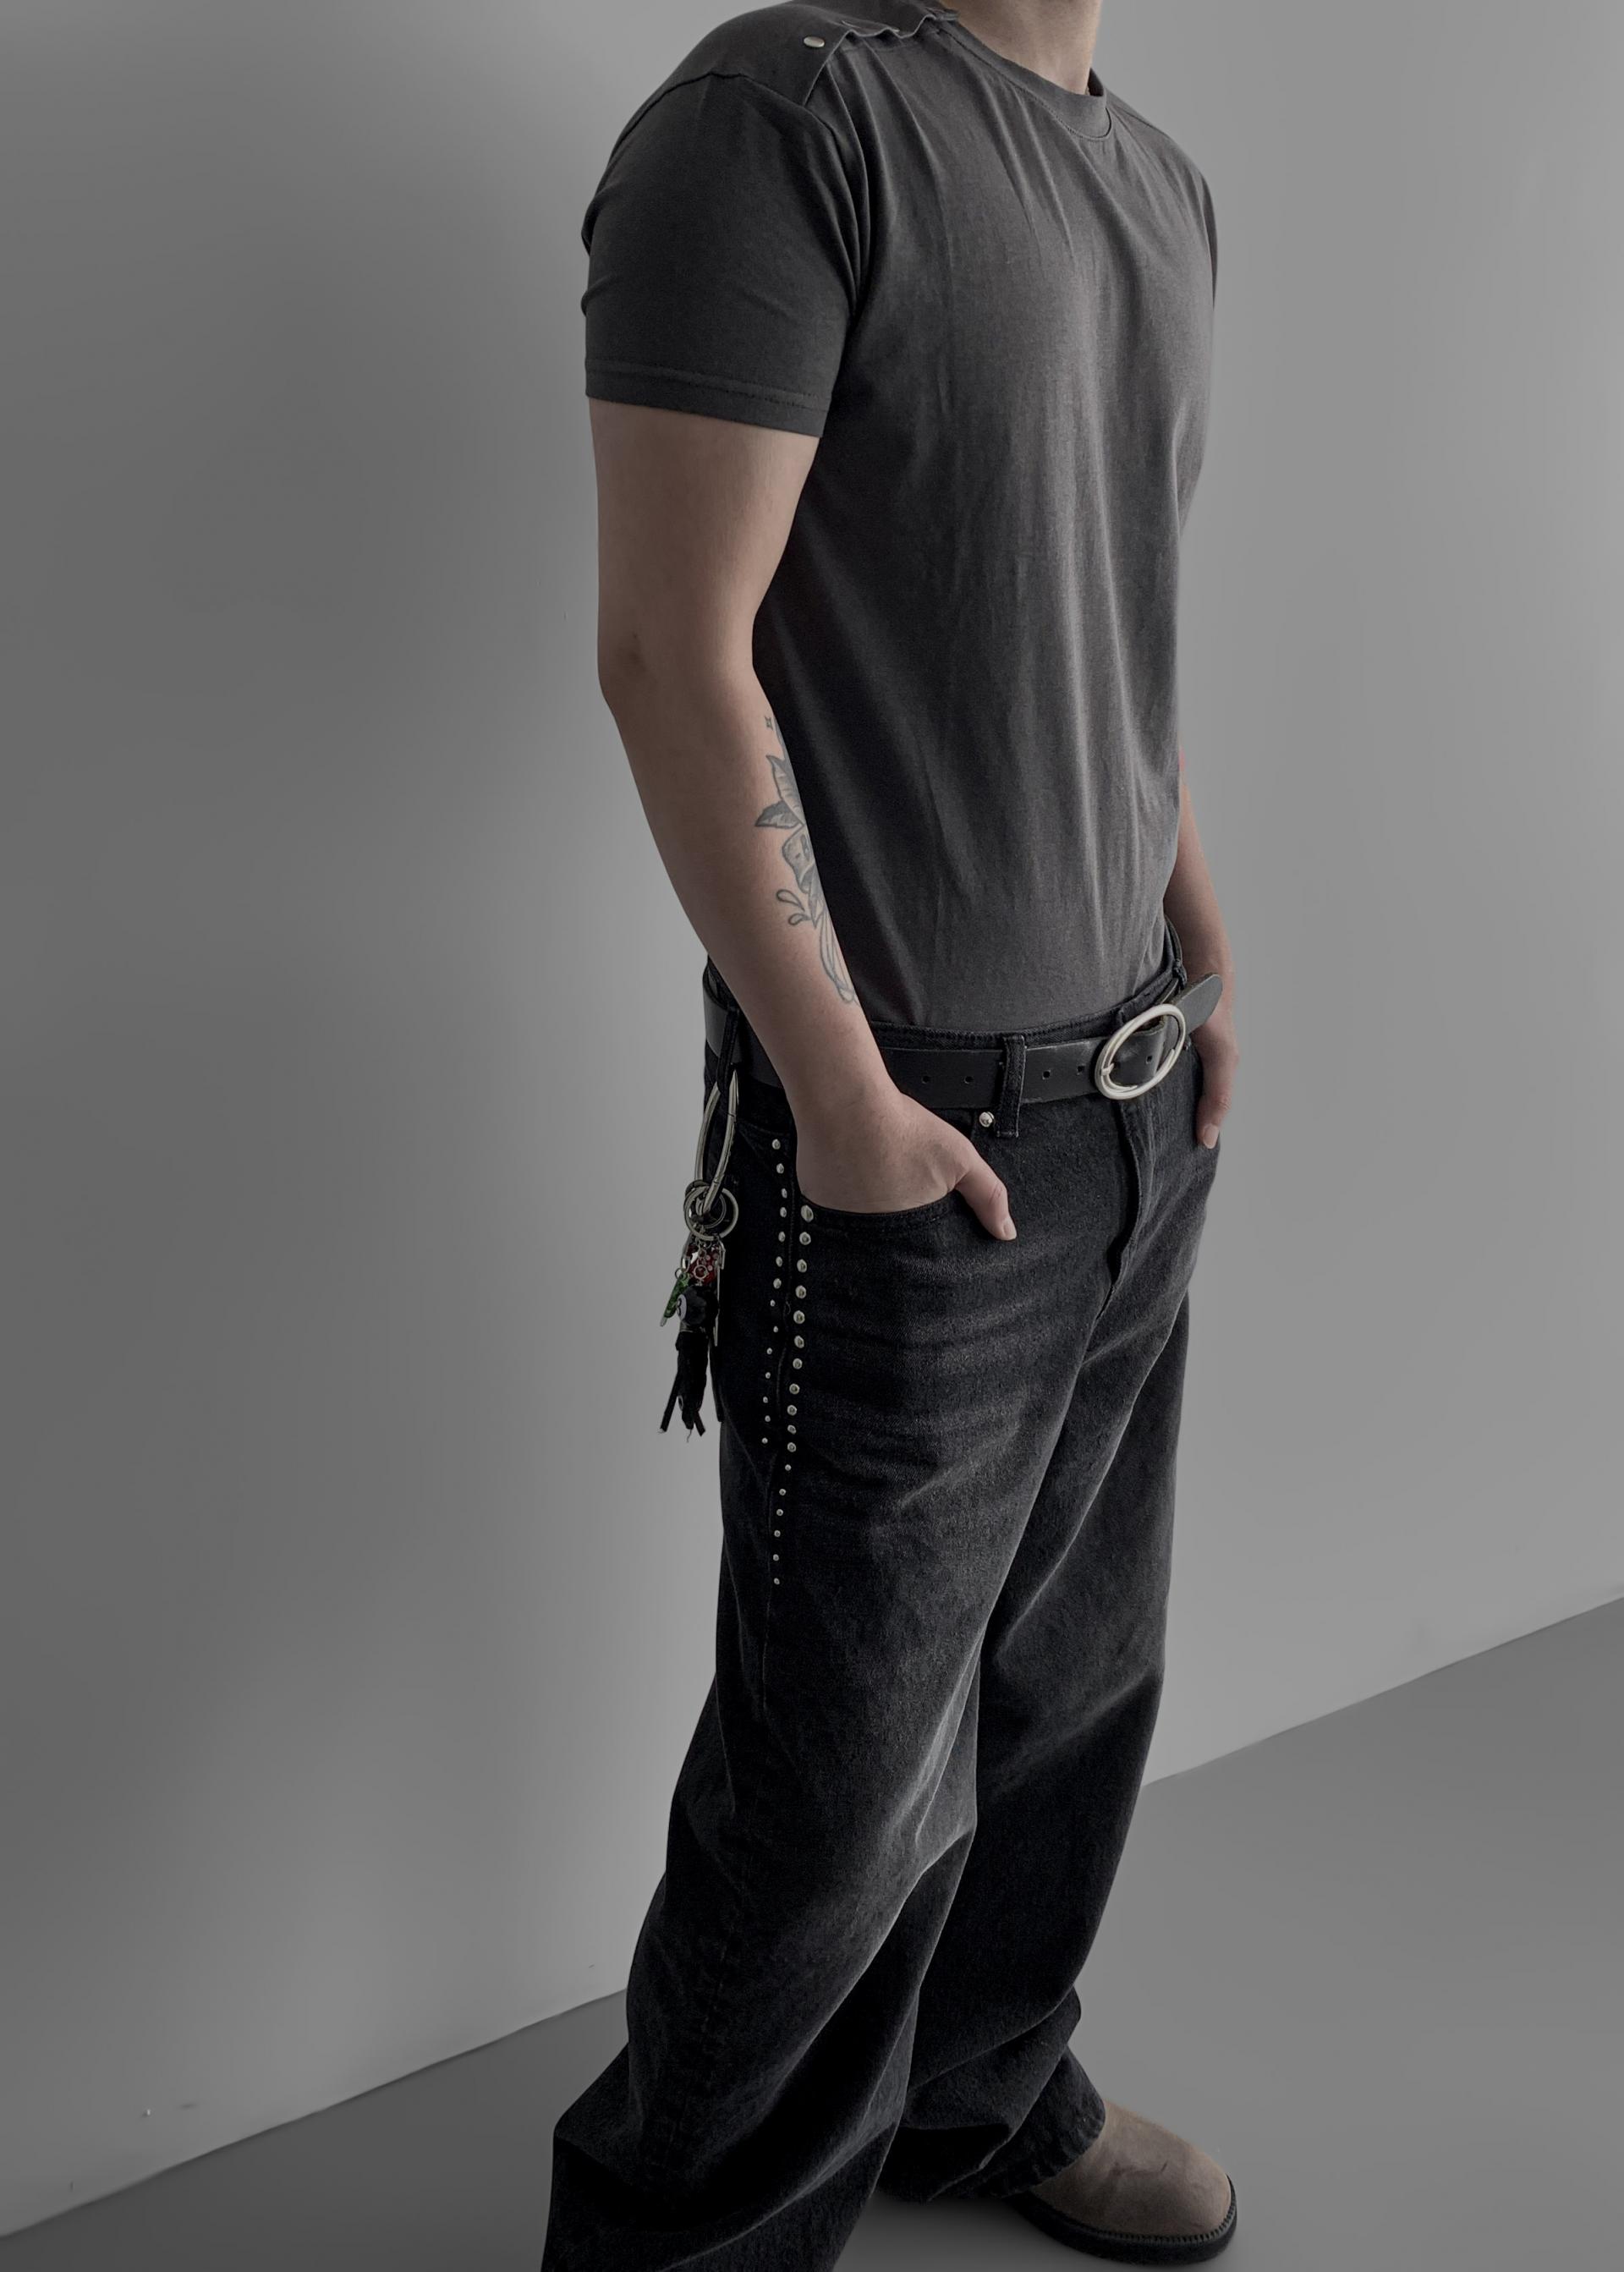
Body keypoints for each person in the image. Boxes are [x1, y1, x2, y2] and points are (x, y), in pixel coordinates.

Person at [541, 2, 1242, 2264]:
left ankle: (982, 2087)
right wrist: (841, 1093)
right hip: (910, 1129)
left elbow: (1115, 628)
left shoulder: (1162, 186)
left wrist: (1201, 946)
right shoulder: (788, 115)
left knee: (1070, 1684)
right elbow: (673, 647)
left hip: (1134, 1097)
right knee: (835, 1785)